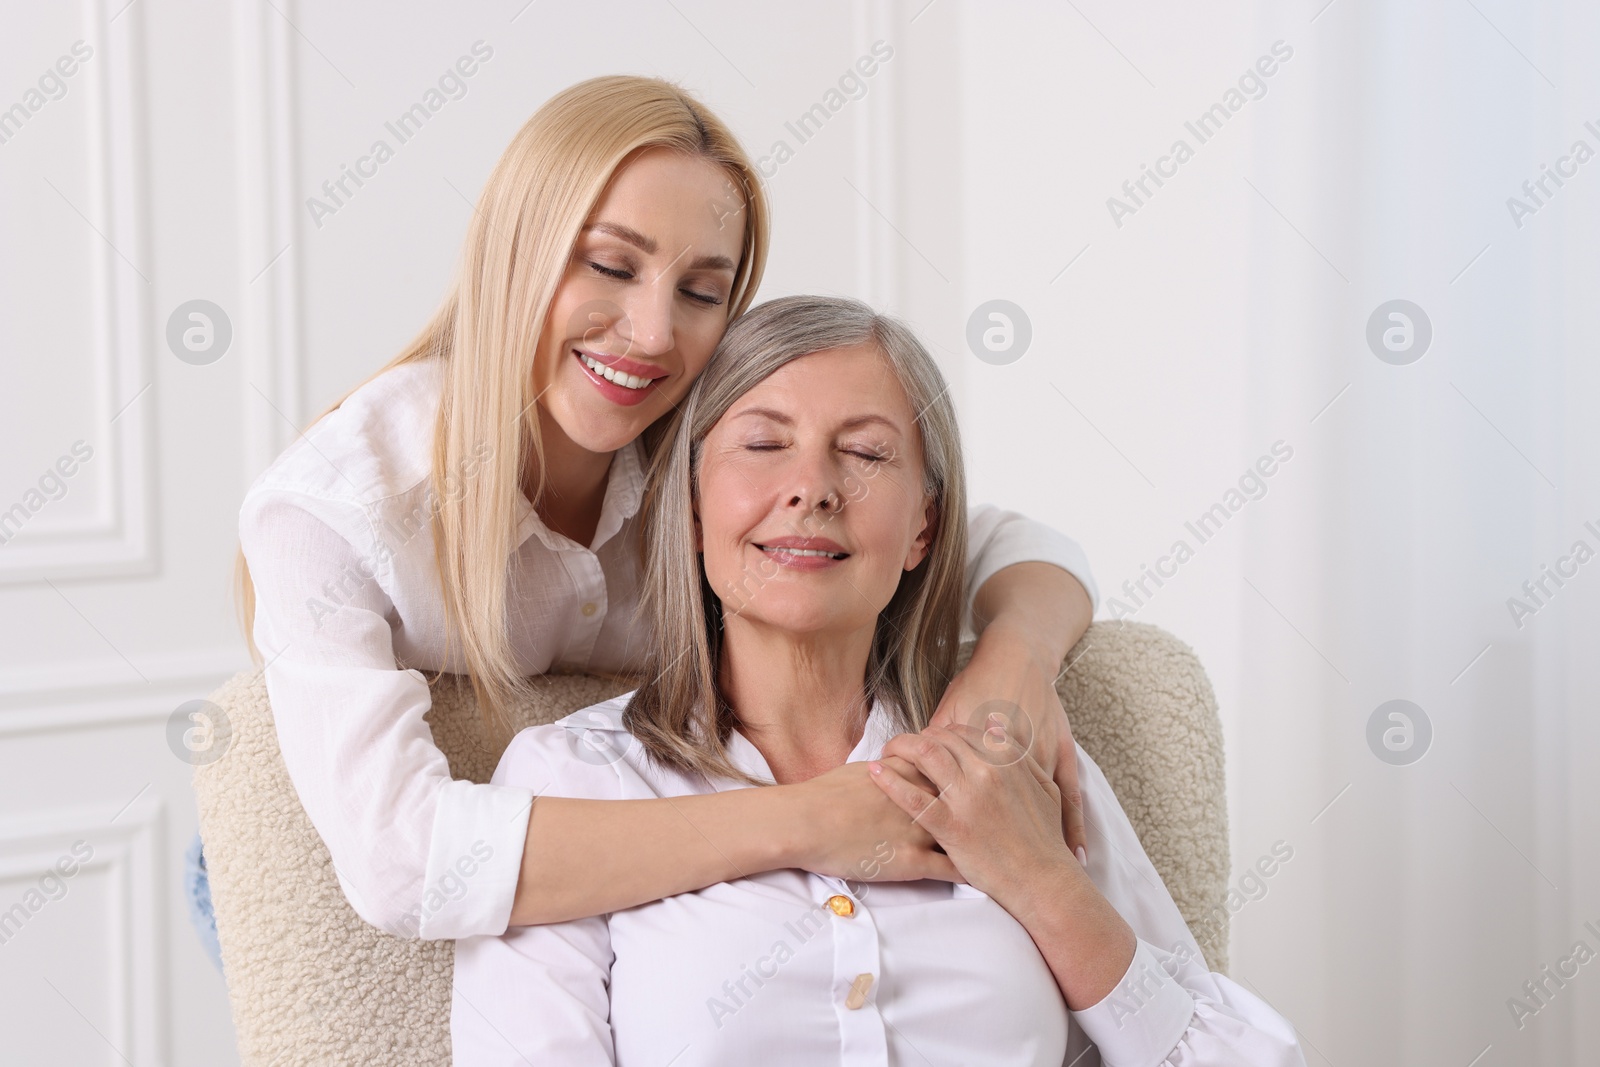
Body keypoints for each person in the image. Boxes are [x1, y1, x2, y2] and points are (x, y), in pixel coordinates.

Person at [224, 75, 1099, 946]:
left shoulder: (717, 457)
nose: (651, 333)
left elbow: (1001, 544)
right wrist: (804, 819)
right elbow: (404, 862)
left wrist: (1013, 665)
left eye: (701, 291)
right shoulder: (333, 507)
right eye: (611, 265)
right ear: (513, 255)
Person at [451, 295, 1305, 1066]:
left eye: (863, 453)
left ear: (925, 527)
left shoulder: (1009, 757)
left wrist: (1041, 878)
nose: (812, 489)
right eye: (763, 443)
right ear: (692, 502)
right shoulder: (576, 782)